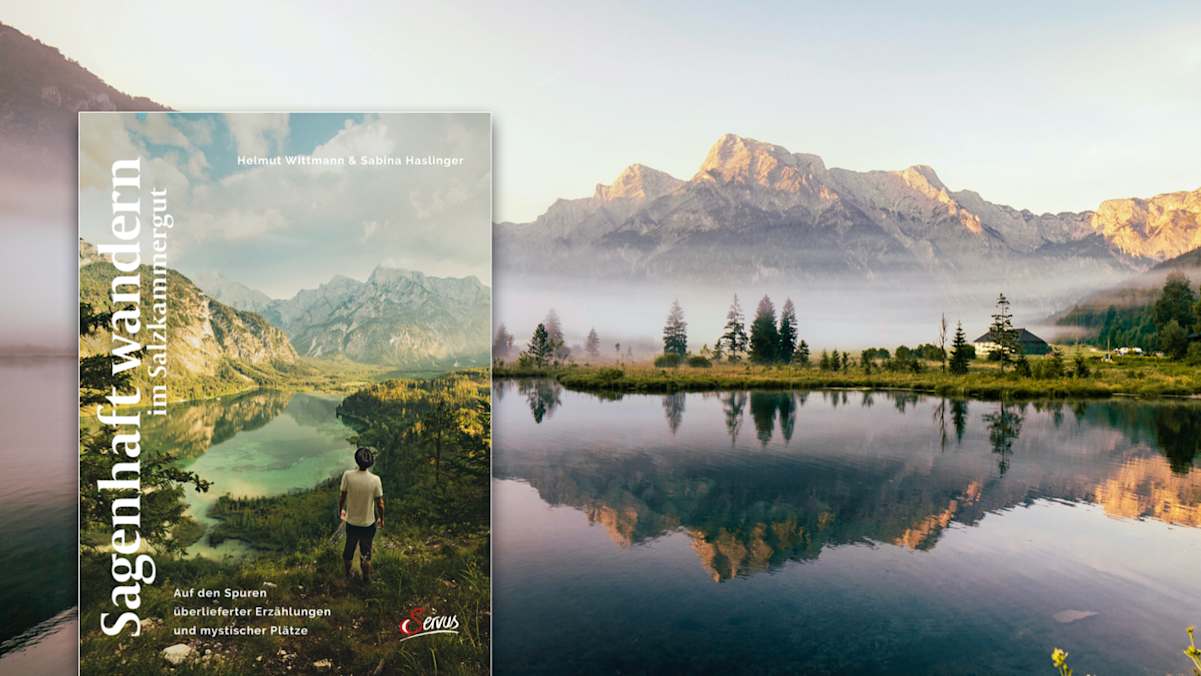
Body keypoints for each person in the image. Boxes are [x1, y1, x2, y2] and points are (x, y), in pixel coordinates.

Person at [339, 446, 384, 583]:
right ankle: (366, 579)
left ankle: (348, 575)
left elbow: (342, 497)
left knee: (349, 551)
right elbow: (380, 504)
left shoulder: (348, 475)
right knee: (366, 553)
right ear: (370, 462)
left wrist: (341, 511)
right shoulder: (375, 480)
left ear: (356, 460)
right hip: (368, 524)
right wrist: (381, 519)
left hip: (352, 523)